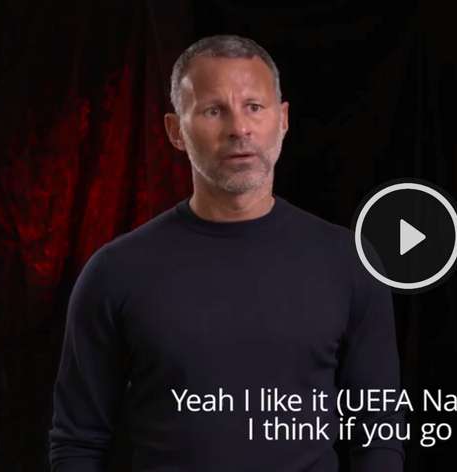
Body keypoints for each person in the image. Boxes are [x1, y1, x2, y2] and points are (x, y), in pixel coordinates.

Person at [49, 35, 404, 471]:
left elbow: (378, 432)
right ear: (175, 131)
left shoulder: (348, 262)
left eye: (254, 106)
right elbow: (78, 442)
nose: (239, 128)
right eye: (214, 110)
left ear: (283, 119)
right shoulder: (115, 271)